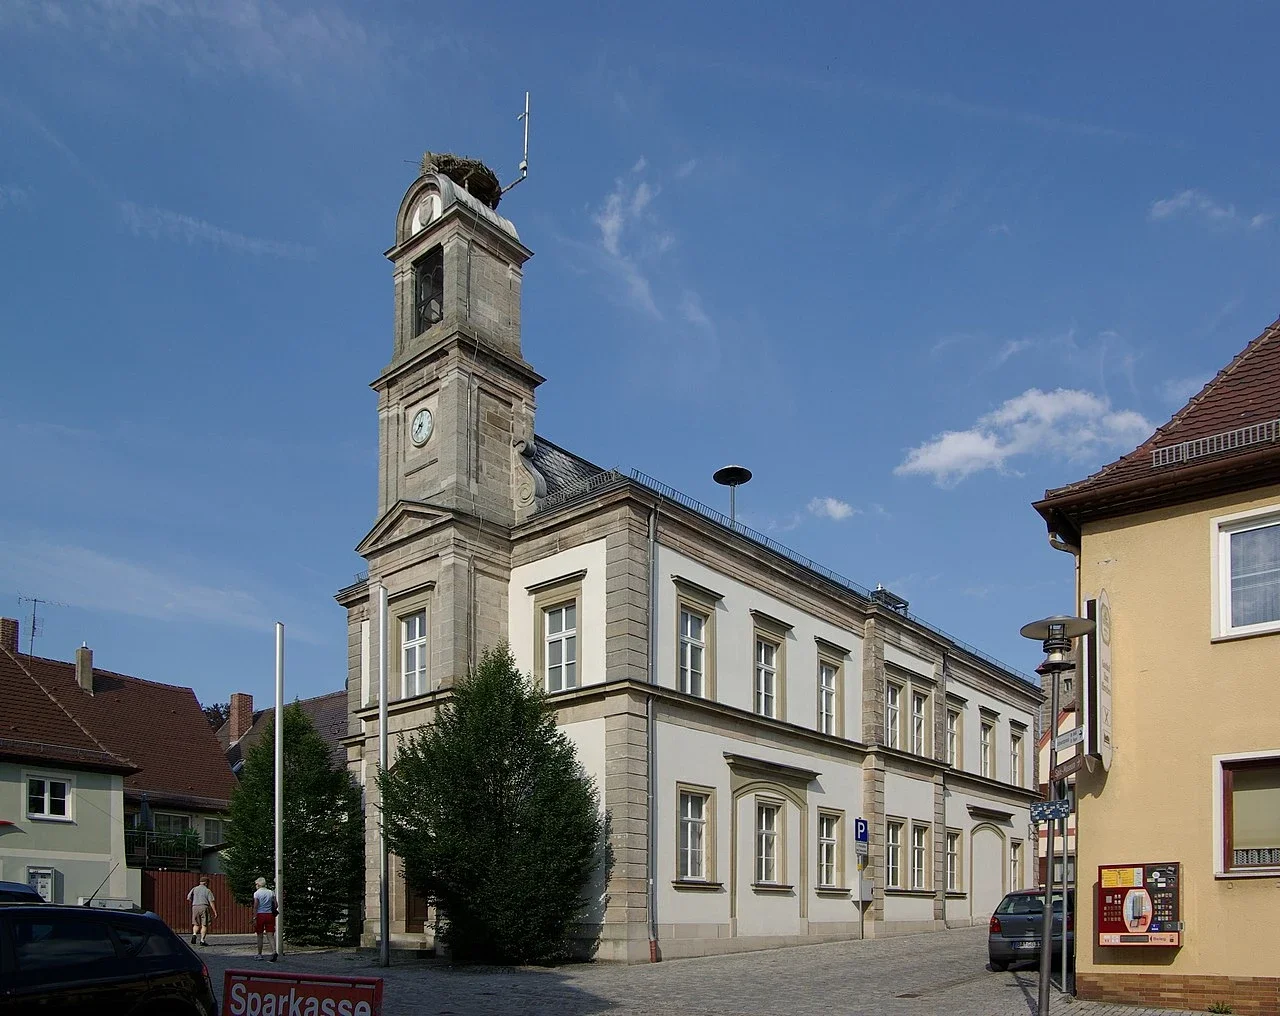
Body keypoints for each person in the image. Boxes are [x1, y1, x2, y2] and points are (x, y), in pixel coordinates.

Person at [252, 876, 278, 962]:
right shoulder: (271, 892)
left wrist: (254, 917)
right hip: (270, 915)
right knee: (270, 935)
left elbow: (255, 906)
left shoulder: (257, 893)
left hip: (260, 914)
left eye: (256, 884)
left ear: (258, 884)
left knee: (260, 935)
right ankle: (274, 951)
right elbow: (276, 905)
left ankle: (259, 954)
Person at [186, 875, 217, 947]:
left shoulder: (194, 889)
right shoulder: (207, 890)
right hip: (204, 906)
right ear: (206, 883)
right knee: (204, 924)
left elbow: (188, 898)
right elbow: (211, 901)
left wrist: (194, 902)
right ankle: (202, 940)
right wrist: (215, 911)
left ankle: (194, 934)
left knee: (196, 923)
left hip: (195, 907)